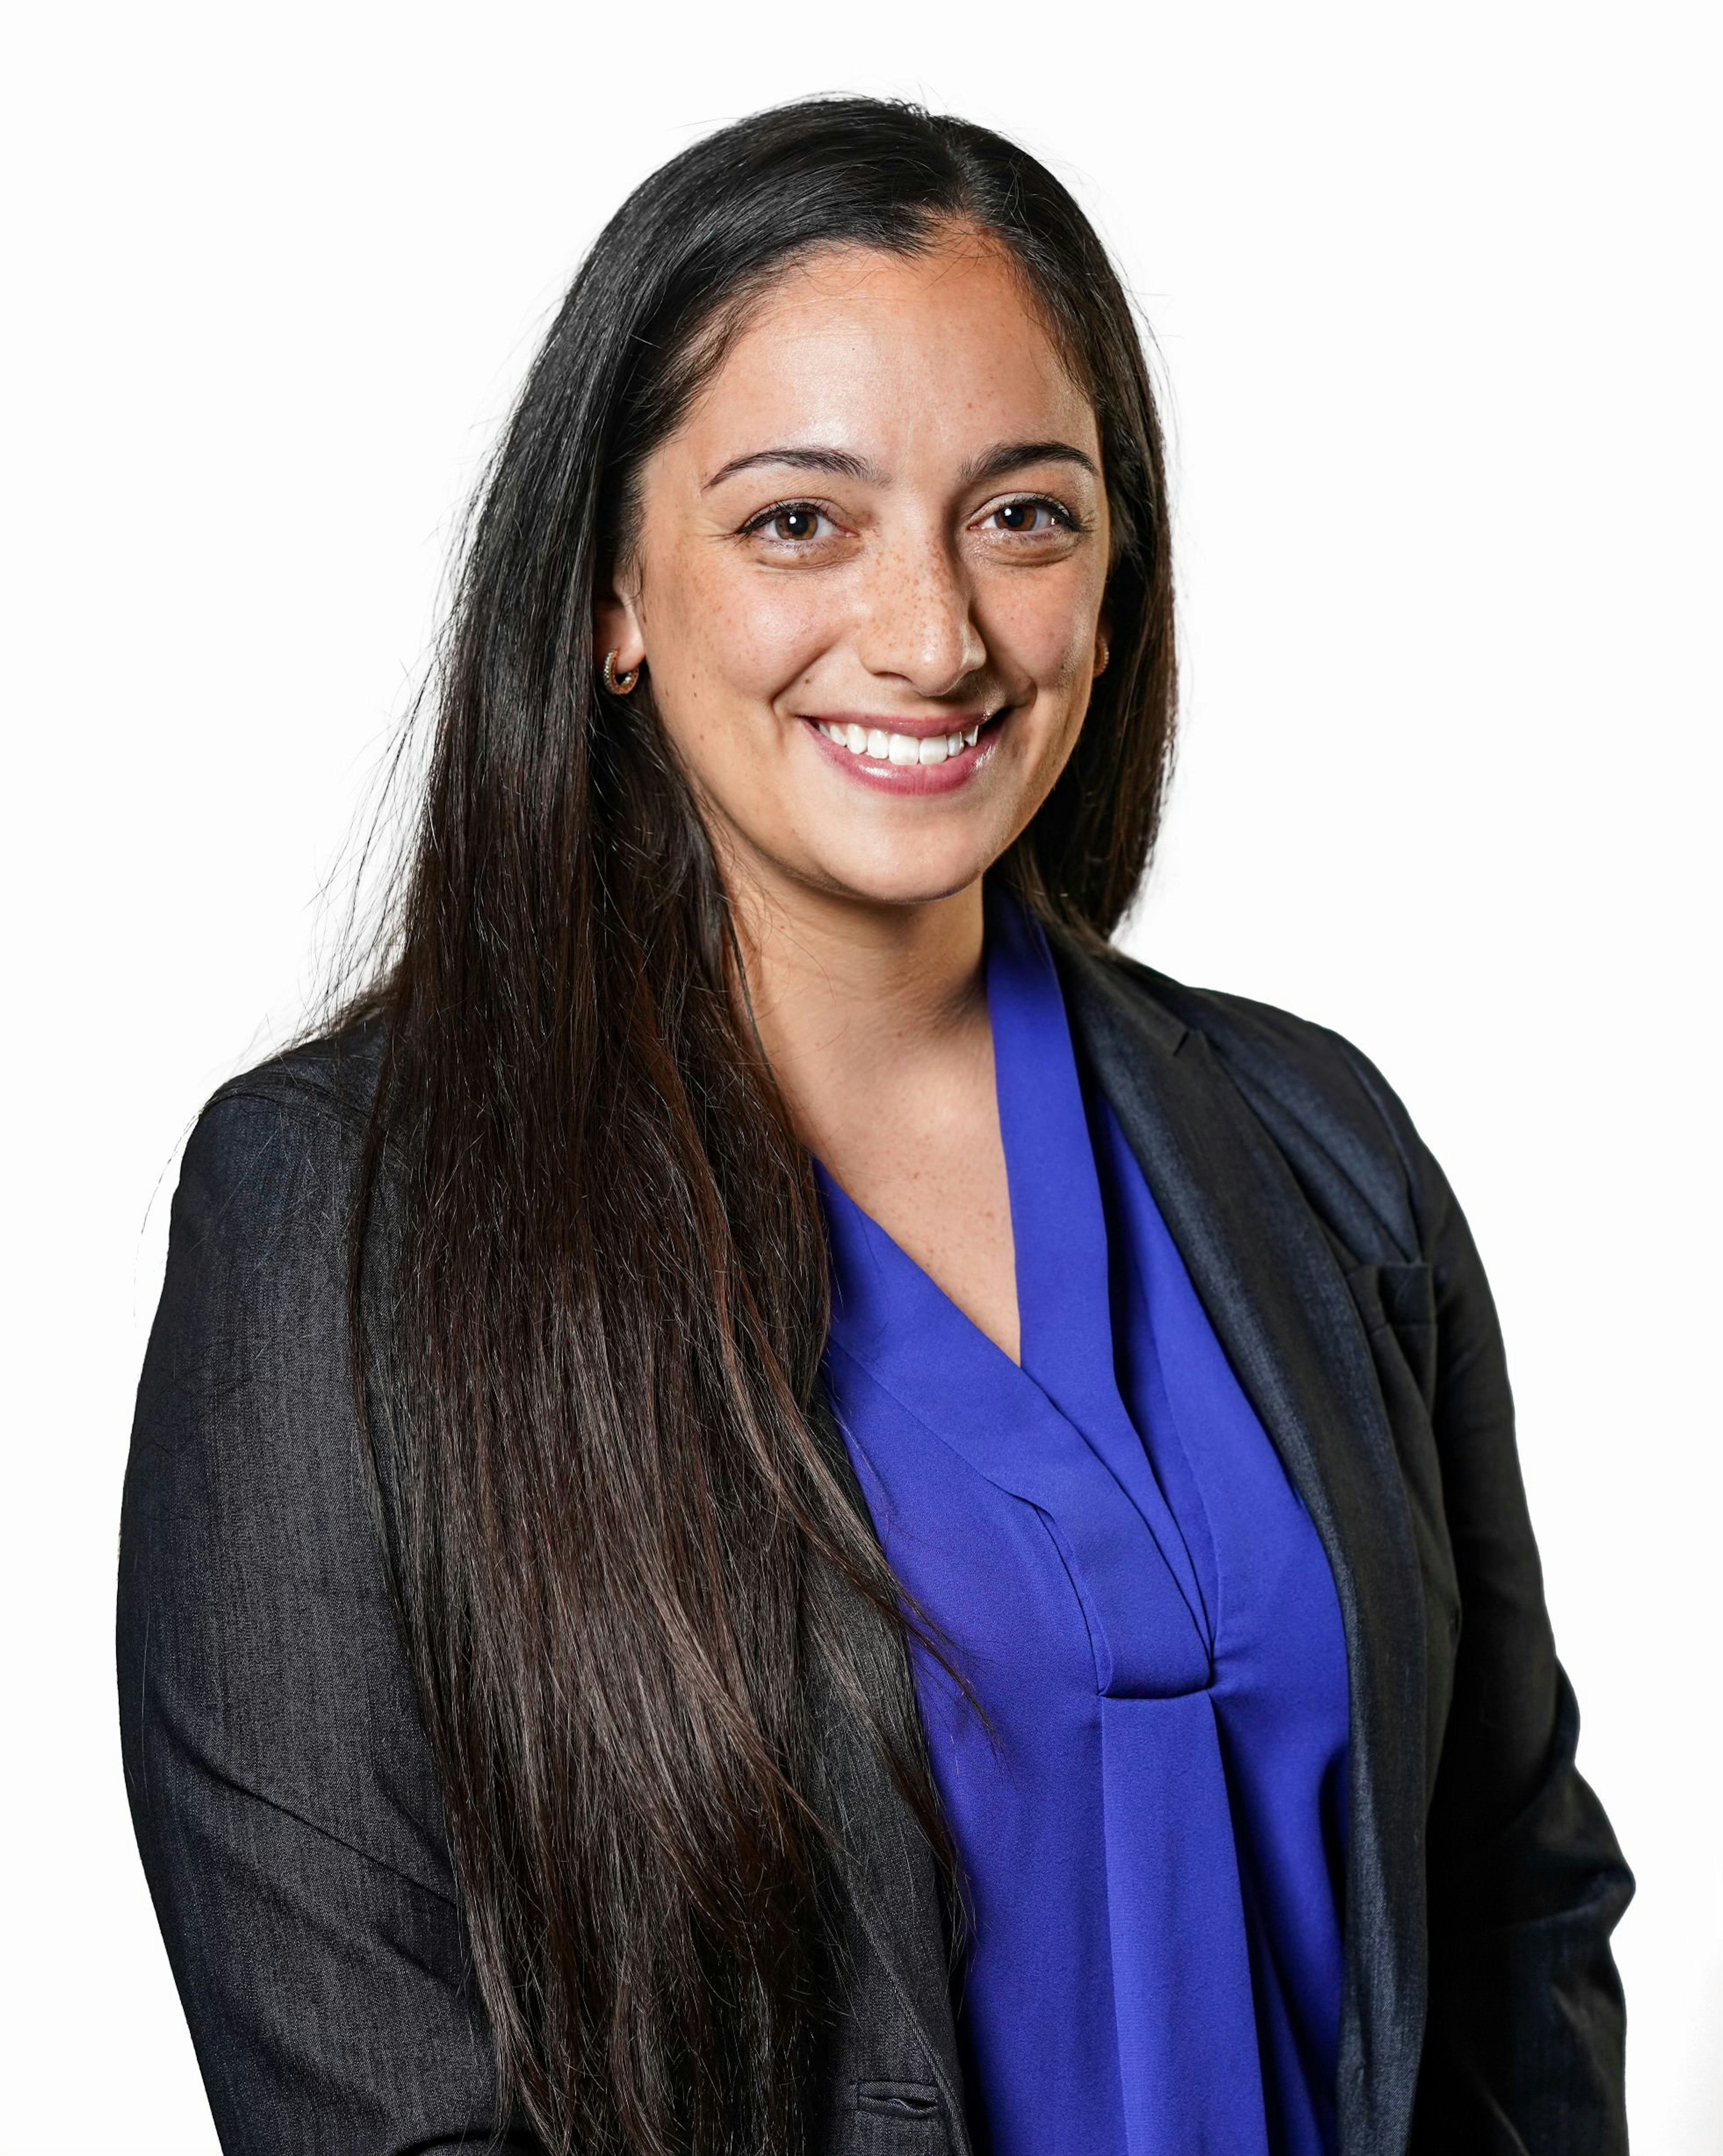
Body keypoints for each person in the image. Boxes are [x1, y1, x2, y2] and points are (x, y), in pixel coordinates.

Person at [117, 96, 1632, 2156]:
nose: (933, 634)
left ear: (1116, 579)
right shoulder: (342, 1216)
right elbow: (370, 2093)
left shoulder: (1315, 1150)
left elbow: (1513, 1906)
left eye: (1025, 514)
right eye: (798, 522)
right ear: (610, 598)